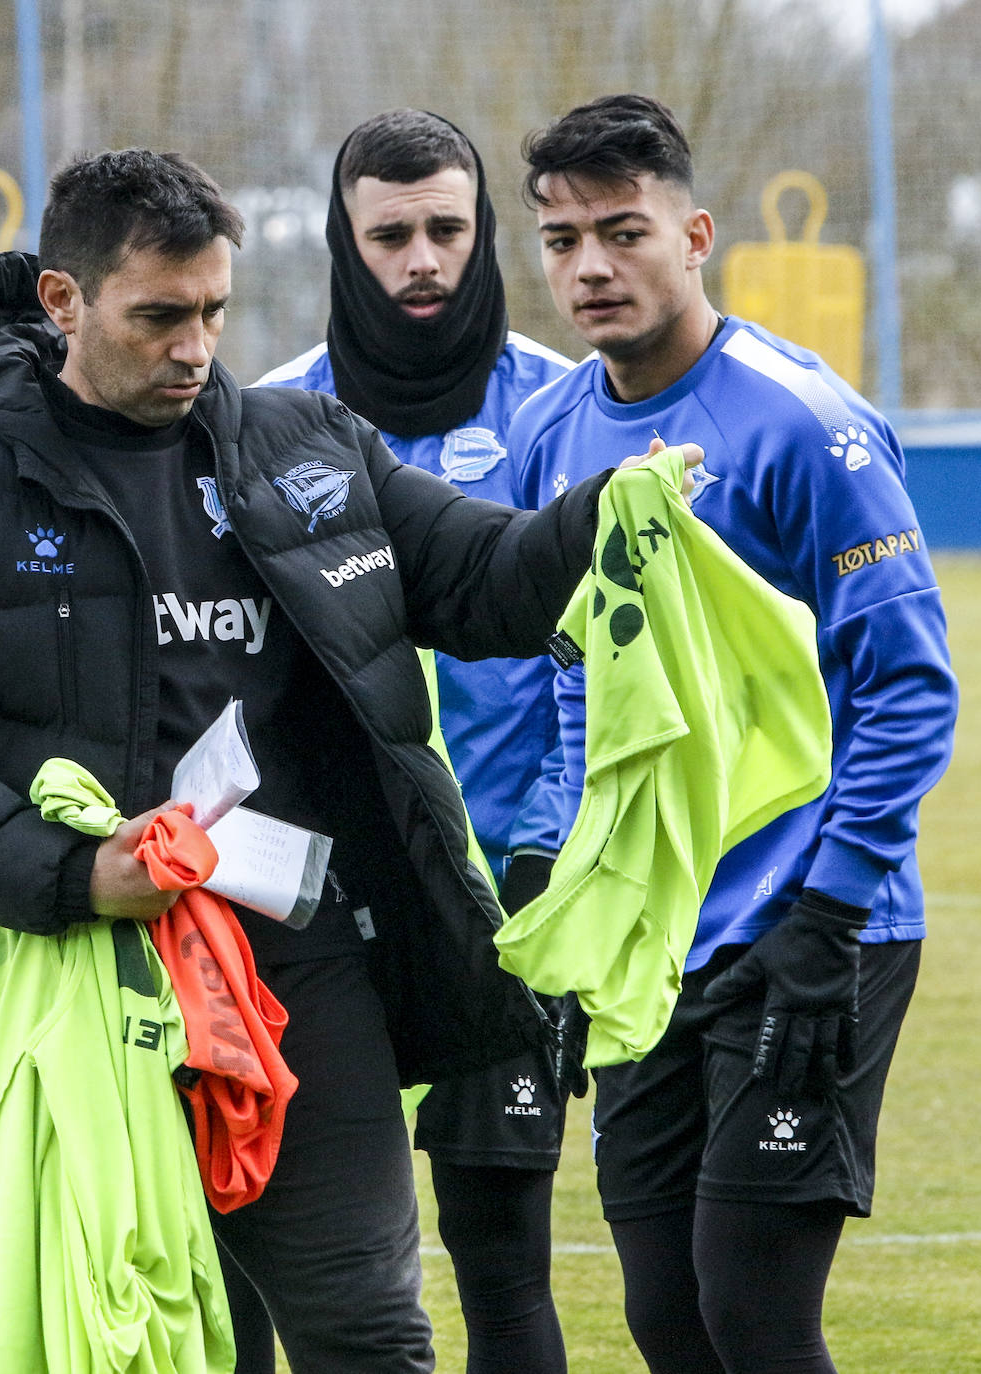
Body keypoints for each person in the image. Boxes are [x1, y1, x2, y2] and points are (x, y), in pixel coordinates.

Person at [0, 147, 698, 1373]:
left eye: (215, 312)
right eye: (159, 316)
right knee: (157, 1339)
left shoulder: (307, 445)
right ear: (65, 304)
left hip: (302, 971)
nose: (194, 347)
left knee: (374, 1334)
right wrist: (71, 875)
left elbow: (484, 580)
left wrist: (609, 513)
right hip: (84, 980)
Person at [509, 95, 958, 1373]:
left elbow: (909, 689)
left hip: (816, 925)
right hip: (655, 940)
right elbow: (573, 687)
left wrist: (830, 915)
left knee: (753, 1311)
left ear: (694, 234)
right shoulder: (553, 435)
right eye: (560, 240)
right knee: (665, 1317)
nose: (590, 267)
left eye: (623, 231)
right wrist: (560, 879)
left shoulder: (803, 425)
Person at [256, 108, 575, 1374]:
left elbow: (592, 664)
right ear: (345, 241)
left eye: (448, 228)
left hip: (501, 903)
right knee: (280, 1257)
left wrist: (552, 849)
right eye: (390, 234)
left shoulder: (561, 408)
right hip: (311, 917)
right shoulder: (264, 419)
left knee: (503, 1257)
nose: (423, 259)